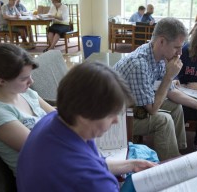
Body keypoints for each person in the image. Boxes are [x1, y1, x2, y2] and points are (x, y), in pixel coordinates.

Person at [16, 61, 156, 191]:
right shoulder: (92, 180)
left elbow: (96, 162)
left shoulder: (52, 120)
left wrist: (131, 165)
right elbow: (89, 172)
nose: (116, 121)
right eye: (111, 114)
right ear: (84, 115)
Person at [114, 17, 197, 161]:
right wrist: (169, 76)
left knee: (176, 106)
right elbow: (152, 109)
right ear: (161, 41)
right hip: (117, 116)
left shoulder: (159, 55)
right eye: (177, 47)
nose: (180, 52)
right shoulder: (139, 64)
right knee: (164, 120)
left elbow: (171, 91)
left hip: (135, 105)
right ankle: (169, 161)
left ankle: (176, 150)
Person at [0, 43, 55, 175]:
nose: (31, 82)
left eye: (30, 75)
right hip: (40, 177)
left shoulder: (26, 93)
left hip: (57, 163)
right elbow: (39, 149)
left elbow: (58, 116)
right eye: (24, 78)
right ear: (1, 81)